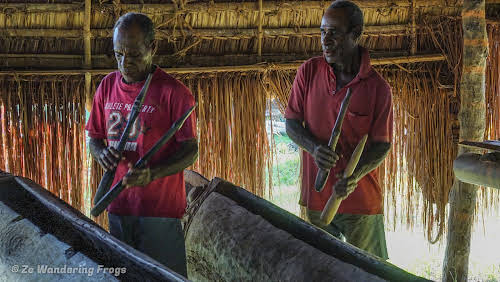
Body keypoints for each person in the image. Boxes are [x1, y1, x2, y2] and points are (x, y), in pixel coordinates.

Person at [85, 13, 198, 276]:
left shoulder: (175, 93)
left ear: (152, 47)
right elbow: (94, 137)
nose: (125, 63)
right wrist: (101, 153)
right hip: (118, 209)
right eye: (119, 54)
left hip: (160, 213)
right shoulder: (106, 86)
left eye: (134, 55)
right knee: (124, 275)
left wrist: (154, 173)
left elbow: (191, 150)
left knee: (163, 276)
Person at [285, 0, 393, 259]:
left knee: (369, 273)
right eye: (322, 32)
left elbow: (381, 145)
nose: (325, 39)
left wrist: (354, 176)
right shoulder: (308, 72)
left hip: (361, 203)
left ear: (356, 34)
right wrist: (314, 148)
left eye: (334, 32)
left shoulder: (378, 88)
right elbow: (290, 123)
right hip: (316, 197)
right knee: (320, 271)